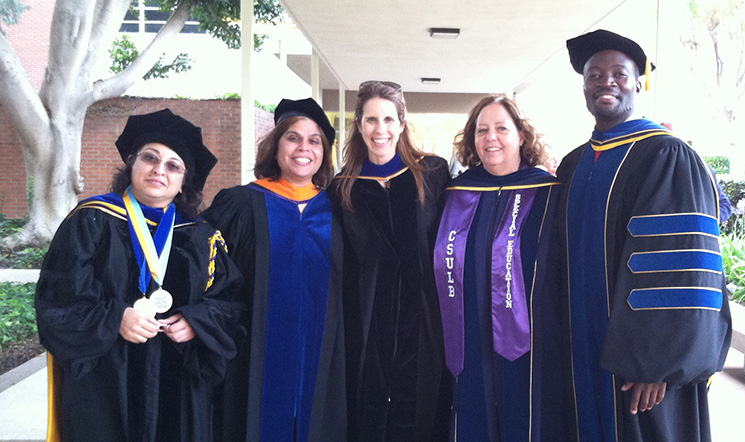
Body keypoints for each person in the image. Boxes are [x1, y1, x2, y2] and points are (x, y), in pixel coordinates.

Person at [557, 29, 732, 441]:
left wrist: (658, 364)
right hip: (580, 350)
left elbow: (681, 267)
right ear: (584, 86)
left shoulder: (666, 155)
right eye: (594, 75)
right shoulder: (574, 164)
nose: (606, 82)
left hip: (640, 364)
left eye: (619, 73)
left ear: (639, 83)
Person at [35, 109, 245, 442]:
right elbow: (57, 297)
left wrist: (197, 322)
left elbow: (230, 302)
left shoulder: (201, 237)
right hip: (105, 380)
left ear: (183, 182)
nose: (159, 170)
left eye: (173, 166)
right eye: (150, 158)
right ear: (132, 164)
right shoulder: (91, 221)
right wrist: (115, 317)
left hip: (178, 382)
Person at [203, 98, 346, 442]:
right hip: (254, 354)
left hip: (320, 356)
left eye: (314, 141)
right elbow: (208, 272)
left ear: (324, 152)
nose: (303, 148)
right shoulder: (241, 203)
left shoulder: (339, 208)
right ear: (276, 145)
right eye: (293, 138)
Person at [432, 96, 567, 441]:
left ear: (521, 135)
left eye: (501, 128)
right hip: (468, 332)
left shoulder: (549, 195)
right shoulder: (456, 193)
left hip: (531, 340)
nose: (491, 137)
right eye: (482, 130)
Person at [328, 80, 451, 442]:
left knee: (422, 404)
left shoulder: (432, 173)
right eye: (370, 120)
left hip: (425, 312)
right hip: (366, 315)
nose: (379, 130)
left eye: (387, 119)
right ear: (359, 125)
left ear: (401, 123)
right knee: (369, 406)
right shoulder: (343, 187)